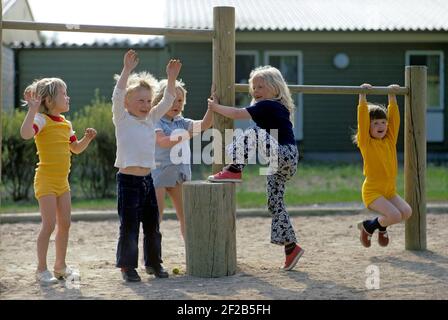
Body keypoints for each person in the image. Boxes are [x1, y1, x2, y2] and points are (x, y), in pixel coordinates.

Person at [207, 65, 303, 271]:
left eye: (261, 86)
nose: (256, 91)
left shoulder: (269, 105)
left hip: (284, 154)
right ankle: (291, 247)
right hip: (282, 162)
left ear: (275, 88)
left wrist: (214, 107)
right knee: (274, 202)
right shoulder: (272, 107)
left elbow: (235, 113)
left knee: (254, 133)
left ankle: (234, 168)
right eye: (254, 88)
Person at [112, 49, 182, 282]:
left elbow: (168, 100)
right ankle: (128, 267)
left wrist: (171, 78)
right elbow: (118, 92)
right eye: (139, 100)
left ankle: (153, 263)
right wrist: (126, 70)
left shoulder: (152, 118)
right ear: (127, 103)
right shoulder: (122, 119)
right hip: (128, 182)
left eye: (148, 101)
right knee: (129, 226)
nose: (145, 105)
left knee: (153, 225)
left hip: (147, 180)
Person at [20, 78, 97, 284]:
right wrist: (32, 111)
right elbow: (26, 134)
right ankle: (41, 269)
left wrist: (86, 139)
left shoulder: (66, 123)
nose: (68, 96)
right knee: (49, 225)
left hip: (63, 183)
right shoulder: (41, 120)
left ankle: (60, 267)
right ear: (49, 100)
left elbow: (75, 149)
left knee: (65, 223)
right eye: (64, 93)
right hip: (45, 180)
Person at [152, 80, 213, 240]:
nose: (176, 104)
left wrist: (212, 106)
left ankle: (191, 251)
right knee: (155, 216)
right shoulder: (155, 120)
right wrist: (188, 134)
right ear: (161, 100)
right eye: (172, 100)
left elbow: (205, 124)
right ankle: (150, 257)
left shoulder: (182, 122)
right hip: (158, 173)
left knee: (186, 216)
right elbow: (163, 142)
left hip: (179, 174)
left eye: (180, 100)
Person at [353, 83, 412, 248]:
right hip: (373, 191)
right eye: (376, 123)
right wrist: (362, 96)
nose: (381, 126)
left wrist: (391, 96)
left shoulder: (390, 140)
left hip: (389, 190)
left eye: (383, 122)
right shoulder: (366, 142)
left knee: (406, 212)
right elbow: (362, 120)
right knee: (394, 215)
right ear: (368, 127)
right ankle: (370, 226)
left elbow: (395, 120)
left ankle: (376, 226)